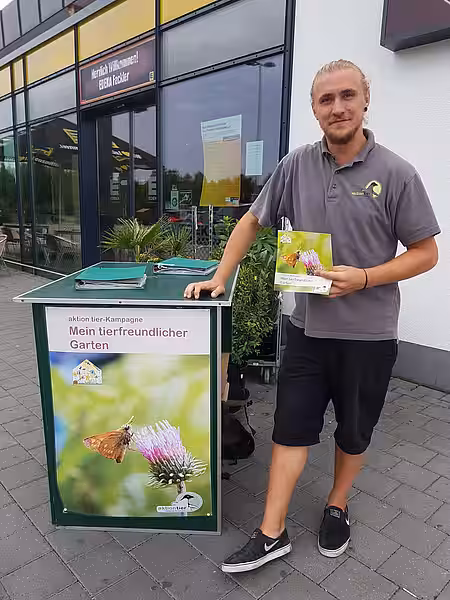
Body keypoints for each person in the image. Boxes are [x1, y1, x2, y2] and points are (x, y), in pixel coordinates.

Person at [184, 59, 440, 573]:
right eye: (326, 99)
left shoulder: (396, 173)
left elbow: (425, 252)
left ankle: (337, 505)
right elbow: (252, 221)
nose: (337, 107)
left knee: (354, 432)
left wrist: (364, 277)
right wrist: (220, 275)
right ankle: (271, 532)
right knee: (290, 429)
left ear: (365, 100)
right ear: (315, 109)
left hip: (368, 337)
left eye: (347, 96)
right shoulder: (296, 164)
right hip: (306, 330)